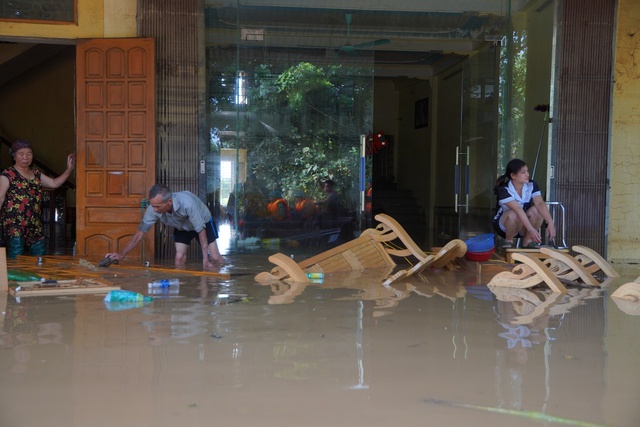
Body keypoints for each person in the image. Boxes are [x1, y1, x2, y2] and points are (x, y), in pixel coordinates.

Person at [106, 184, 224, 268]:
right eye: (153, 206)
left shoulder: (188, 203)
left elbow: (201, 230)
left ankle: (220, 281)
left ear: (169, 202)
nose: (154, 209)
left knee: (215, 257)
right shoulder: (153, 209)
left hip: (203, 222)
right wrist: (121, 254)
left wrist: (205, 259)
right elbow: (139, 234)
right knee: (179, 258)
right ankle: (182, 288)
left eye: (158, 206)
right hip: (182, 227)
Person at [0, 139, 75, 258]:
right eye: (21, 154)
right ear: (14, 156)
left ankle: (39, 277)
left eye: (29, 154)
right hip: (14, 226)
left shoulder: (36, 173)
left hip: (34, 224)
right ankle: (13, 277)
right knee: (16, 259)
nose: (25, 157)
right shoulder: (7, 174)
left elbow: (54, 183)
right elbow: (0, 198)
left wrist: (69, 169)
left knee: (40, 258)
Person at [492, 158, 556, 249]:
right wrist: (531, 229)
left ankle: (528, 241)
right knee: (514, 213)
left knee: (537, 210)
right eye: (523, 172)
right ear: (513, 176)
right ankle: (509, 241)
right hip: (504, 226)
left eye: (527, 171)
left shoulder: (532, 184)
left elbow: (540, 203)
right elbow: (517, 209)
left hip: (524, 226)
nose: (527, 174)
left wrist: (550, 222)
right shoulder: (503, 189)